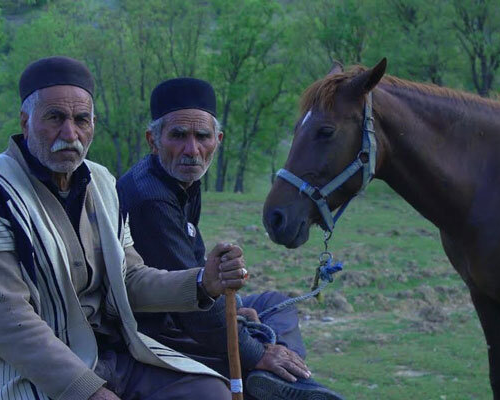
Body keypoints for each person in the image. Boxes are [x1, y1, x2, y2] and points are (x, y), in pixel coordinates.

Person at [0, 57, 248, 400]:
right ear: (26, 122)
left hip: (104, 356)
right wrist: (88, 391)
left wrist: (203, 281)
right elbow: (8, 322)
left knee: (206, 392)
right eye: (55, 118)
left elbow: (129, 279)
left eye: (81, 119)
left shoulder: (101, 181)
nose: (70, 134)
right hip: (9, 367)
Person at [117, 78, 344, 400]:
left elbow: (195, 268)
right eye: (178, 136)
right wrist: (255, 351)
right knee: (257, 342)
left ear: (218, 140)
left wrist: (234, 306)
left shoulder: (180, 180)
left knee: (273, 303)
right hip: (160, 327)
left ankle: (278, 379)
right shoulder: (150, 197)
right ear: (153, 140)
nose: (192, 150)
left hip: (190, 307)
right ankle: (278, 378)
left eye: (202, 136)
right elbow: (189, 305)